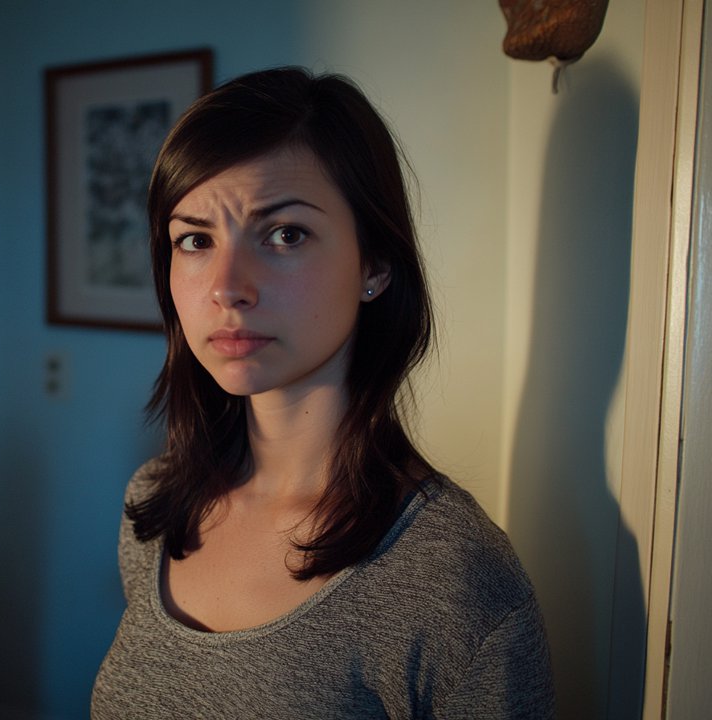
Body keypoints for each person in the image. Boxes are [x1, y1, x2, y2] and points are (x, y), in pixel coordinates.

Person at [91, 67, 554, 719]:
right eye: (195, 240)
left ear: (375, 264)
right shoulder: (155, 507)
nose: (227, 287)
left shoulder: (454, 579)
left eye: (285, 234)